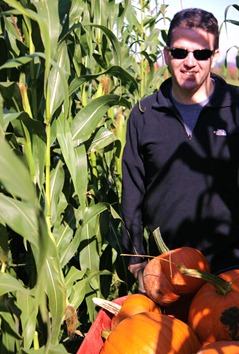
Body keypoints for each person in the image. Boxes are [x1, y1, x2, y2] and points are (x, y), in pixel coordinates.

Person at [121, 8, 239, 293]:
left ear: (214, 56)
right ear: (166, 55)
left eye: (200, 54)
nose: (190, 62)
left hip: (230, 272)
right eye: (180, 52)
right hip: (166, 274)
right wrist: (137, 263)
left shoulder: (235, 110)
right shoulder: (145, 115)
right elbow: (132, 194)